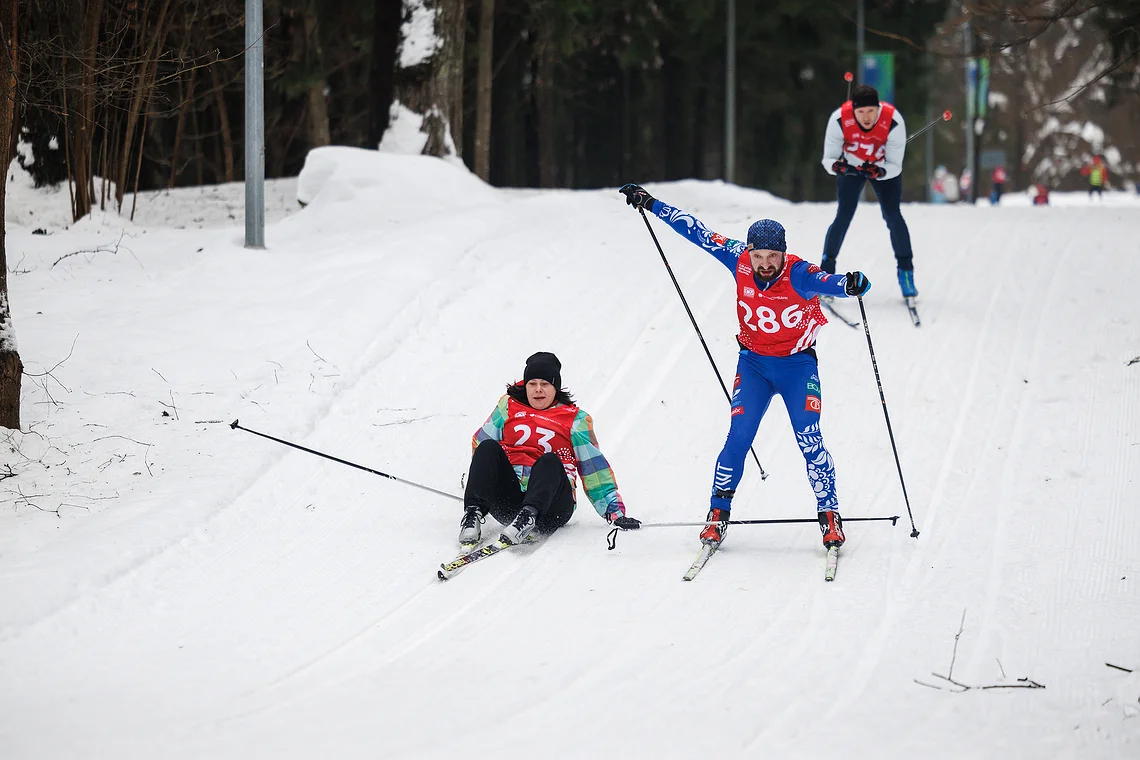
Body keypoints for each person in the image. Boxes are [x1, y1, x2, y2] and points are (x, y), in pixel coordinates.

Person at [618, 183, 871, 551]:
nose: (765, 264)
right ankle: (718, 514)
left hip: (797, 367)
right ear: (749, 252)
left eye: (773, 256)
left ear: (783, 254)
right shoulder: (737, 258)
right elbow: (697, 231)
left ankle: (829, 512)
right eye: (759, 256)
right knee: (738, 437)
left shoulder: (799, 273)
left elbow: (830, 283)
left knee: (809, 439)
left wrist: (850, 285)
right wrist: (651, 204)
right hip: (753, 365)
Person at [458, 351, 639, 547]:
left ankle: (528, 517)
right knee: (487, 446)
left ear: (556, 387)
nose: (538, 390)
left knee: (550, 460)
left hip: (552, 508)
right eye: (532, 384)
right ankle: (473, 515)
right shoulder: (508, 407)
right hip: (509, 504)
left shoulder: (574, 420)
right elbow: (480, 448)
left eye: (545, 384)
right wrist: (482, 485)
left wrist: (615, 512)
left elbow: (593, 469)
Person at [820, 84, 917, 299]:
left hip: (882, 170)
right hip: (852, 168)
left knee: (892, 216)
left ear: (879, 109)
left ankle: (906, 273)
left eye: (871, 111)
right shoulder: (838, 119)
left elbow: (895, 166)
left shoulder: (893, 121)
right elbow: (828, 159)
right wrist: (839, 167)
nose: (866, 117)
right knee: (843, 215)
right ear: (853, 110)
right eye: (861, 112)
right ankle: (826, 274)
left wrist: (879, 171)